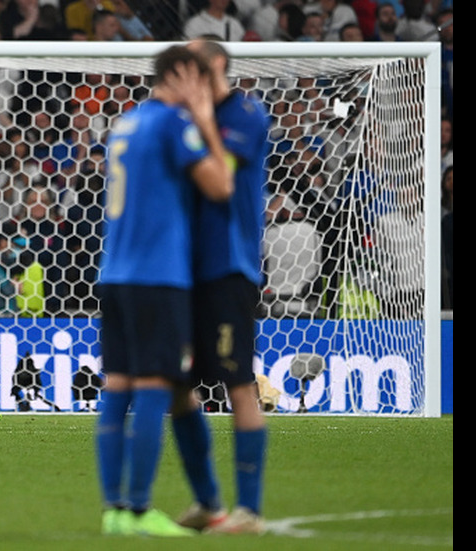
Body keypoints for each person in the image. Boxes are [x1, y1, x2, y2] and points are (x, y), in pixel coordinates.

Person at [96, 44, 232, 537]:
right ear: (178, 75)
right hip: (158, 275)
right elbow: (221, 186)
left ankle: (113, 509)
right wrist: (203, 118)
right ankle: (137, 509)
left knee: (116, 386)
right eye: (197, 79)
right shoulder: (175, 124)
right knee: (154, 387)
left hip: (115, 273)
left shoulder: (125, 124)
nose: (203, 91)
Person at [172, 38, 272, 535]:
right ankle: (208, 501)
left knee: (239, 386)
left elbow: (221, 175)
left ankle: (248, 510)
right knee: (175, 384)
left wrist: (196, 117)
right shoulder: (189, 115)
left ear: (215, 65)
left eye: (193, 61)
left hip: (228, 267)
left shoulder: (247, 115)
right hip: (183, 270)